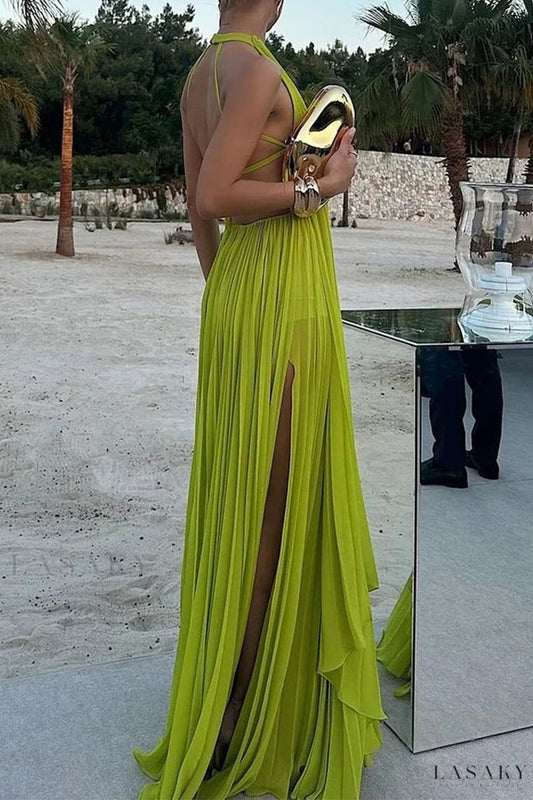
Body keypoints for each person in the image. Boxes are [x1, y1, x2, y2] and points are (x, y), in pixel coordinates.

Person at [132, 1, 386, 798]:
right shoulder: (253, 69)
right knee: (270, 514)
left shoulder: (200, 73)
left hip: (243, 293)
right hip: (281, 299)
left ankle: (238, 687)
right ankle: (236, 713)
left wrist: (227, 295)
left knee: (242, 500)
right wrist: (321, 187)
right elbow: (214, 194)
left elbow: (196, 201)